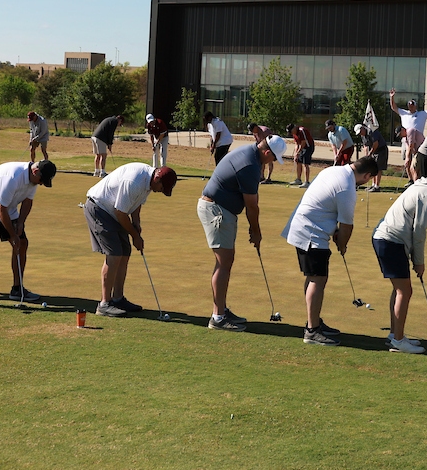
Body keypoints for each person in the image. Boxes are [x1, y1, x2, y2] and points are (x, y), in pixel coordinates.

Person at [282, 157, 379, 345]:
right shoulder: (347, 187)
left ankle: (314, 321)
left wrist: (335, 233)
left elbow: (325, 206)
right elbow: (347, 226)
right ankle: (312, 330)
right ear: (367, 175)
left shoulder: (334, 170)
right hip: (310, 233)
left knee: (314, 277)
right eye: (369, 178)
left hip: (304, 227)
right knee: (317, 279)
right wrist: (342, 244)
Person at [198, 134, 287, 330]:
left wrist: (255, 230)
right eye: (273, 158)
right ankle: (218, 318)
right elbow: (252, 206)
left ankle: (220, 309)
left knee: (226, 261)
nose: (273, 161)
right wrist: (256, 232)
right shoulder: (250, 166)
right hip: (217, 210)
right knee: (224, 262)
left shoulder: (250, 153)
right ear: (266, 152)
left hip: (219, 208)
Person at [372, 166, 427, 353]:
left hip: (386, 238)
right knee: (405, 291)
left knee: (399, 289)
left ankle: (395, 334)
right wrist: (419, 262)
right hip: (391, 240)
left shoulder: (422, 185)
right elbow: (419, 231)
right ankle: (398, 341)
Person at [84, 163, 177, 317]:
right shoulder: (134, 181)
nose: (160, 191)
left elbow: (135, 204)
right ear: (157, 178)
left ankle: (118, 298)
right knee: (114, 254)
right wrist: (135, 235)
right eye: (162, 188)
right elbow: (120, 212)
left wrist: (137, 224)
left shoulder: (148, 182)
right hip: (99, 209)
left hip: (112, 211)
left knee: (125, 252)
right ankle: (104, 304)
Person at [0, 160, 57, 308]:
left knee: (22, 244)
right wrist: (12, 235)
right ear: (35, 172)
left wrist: (21, 223)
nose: (41, 184)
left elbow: (28, 202)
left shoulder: (33, 180)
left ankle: (17, 289)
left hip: (9, 209)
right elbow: (0, 208)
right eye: (41, 180)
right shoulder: (13, 177)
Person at [390, 89, 427, 181]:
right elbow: (394, 107)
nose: (411, 107)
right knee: (407, 160)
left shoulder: (422, 114)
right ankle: (410, 179)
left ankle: (417, 178)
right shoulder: (404, 113)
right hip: (406, 140)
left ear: (415, 106)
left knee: (417, 162)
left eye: (412, 105)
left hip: (418, 142)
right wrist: (392, 97)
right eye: (409, 105)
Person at [356, 123, 389, 191]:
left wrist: (370, 153)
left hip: (381, 150)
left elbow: (375, 144)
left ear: (363, 128)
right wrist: (366, 156)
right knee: (373, 167)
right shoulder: (363, 136)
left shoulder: (372, 132)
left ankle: (377, 186)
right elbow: (365, 146)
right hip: (374, 151)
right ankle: (373, 185)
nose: (360, 134)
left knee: (378, 168)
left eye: (360, 132)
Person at [287, 123, 314, 187]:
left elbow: (303, 143)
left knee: (305, 164)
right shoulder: (294, 134)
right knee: (298, 162)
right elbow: (297, 144)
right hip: (302, 147)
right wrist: (295, 154)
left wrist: (298, 152)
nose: (291, 133)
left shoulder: (302, 131)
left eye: (291, 131)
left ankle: (307, 182)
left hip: (308, 147)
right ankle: (298, 180)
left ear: (294, 128)